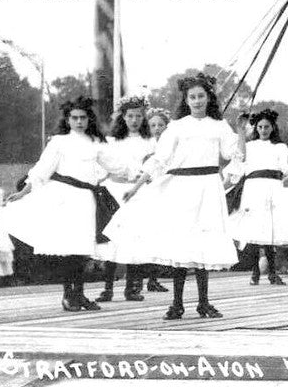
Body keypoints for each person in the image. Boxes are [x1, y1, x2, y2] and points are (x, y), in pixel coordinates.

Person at [104, 73, 247, 320]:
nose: (197, 101)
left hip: (208, 186)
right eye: (192, 97)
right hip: (182, 188)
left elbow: (234, 153)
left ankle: (204, 302)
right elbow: (160, 159)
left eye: (201, 96)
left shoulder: (220, 126)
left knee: (203, 245)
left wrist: (242, 131)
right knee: (182, 246)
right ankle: (177, 303)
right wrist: (137, 186)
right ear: (186, 99)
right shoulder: (177, 127)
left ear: (208, 97)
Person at [3, 97, 137, 311]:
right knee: (68, 247)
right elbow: (42, 169)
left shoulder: (96, 142)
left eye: (83, 117)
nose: (79, 122)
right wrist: (24, 191)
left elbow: (116, 165)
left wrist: (140, 175)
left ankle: (80, 293)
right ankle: (69, 294)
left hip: (86, 198)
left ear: (88, 119)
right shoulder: (59, 141)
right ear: (68, 119)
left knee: (82, 248)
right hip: (64, 197)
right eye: (74, 118)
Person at [226, 108, 288, 286]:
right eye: (260, 127)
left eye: (267, 127)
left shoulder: (279, 146)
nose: (263, 130)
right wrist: (241, 131)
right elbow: (240, 158)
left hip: (272, 186)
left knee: (270, 230)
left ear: (272, 128)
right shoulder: (250, 146)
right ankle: (255, 271)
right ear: (256, 128)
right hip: (254, 187)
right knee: (255, 229)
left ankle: (272, 272)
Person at [94, 95, 154, 302]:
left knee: (134, 238)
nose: (134, 120)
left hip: (138, 192)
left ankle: (132, 287)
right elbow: (102, 165)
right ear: (123, 117)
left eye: (138, 116)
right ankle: (108, 287)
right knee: (112, 239)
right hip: (114, 190)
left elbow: (155, 166)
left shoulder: (150, 142)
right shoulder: (111, 141)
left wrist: (144, 178)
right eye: (130, 116)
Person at [142, 107, 171, 294]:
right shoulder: (148, 146)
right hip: (152, 190)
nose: (157, 128)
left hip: (168, 190)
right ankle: (146, 277)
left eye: (161, 125)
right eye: (153, 125)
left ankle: (154, 278)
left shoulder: (171, 144)